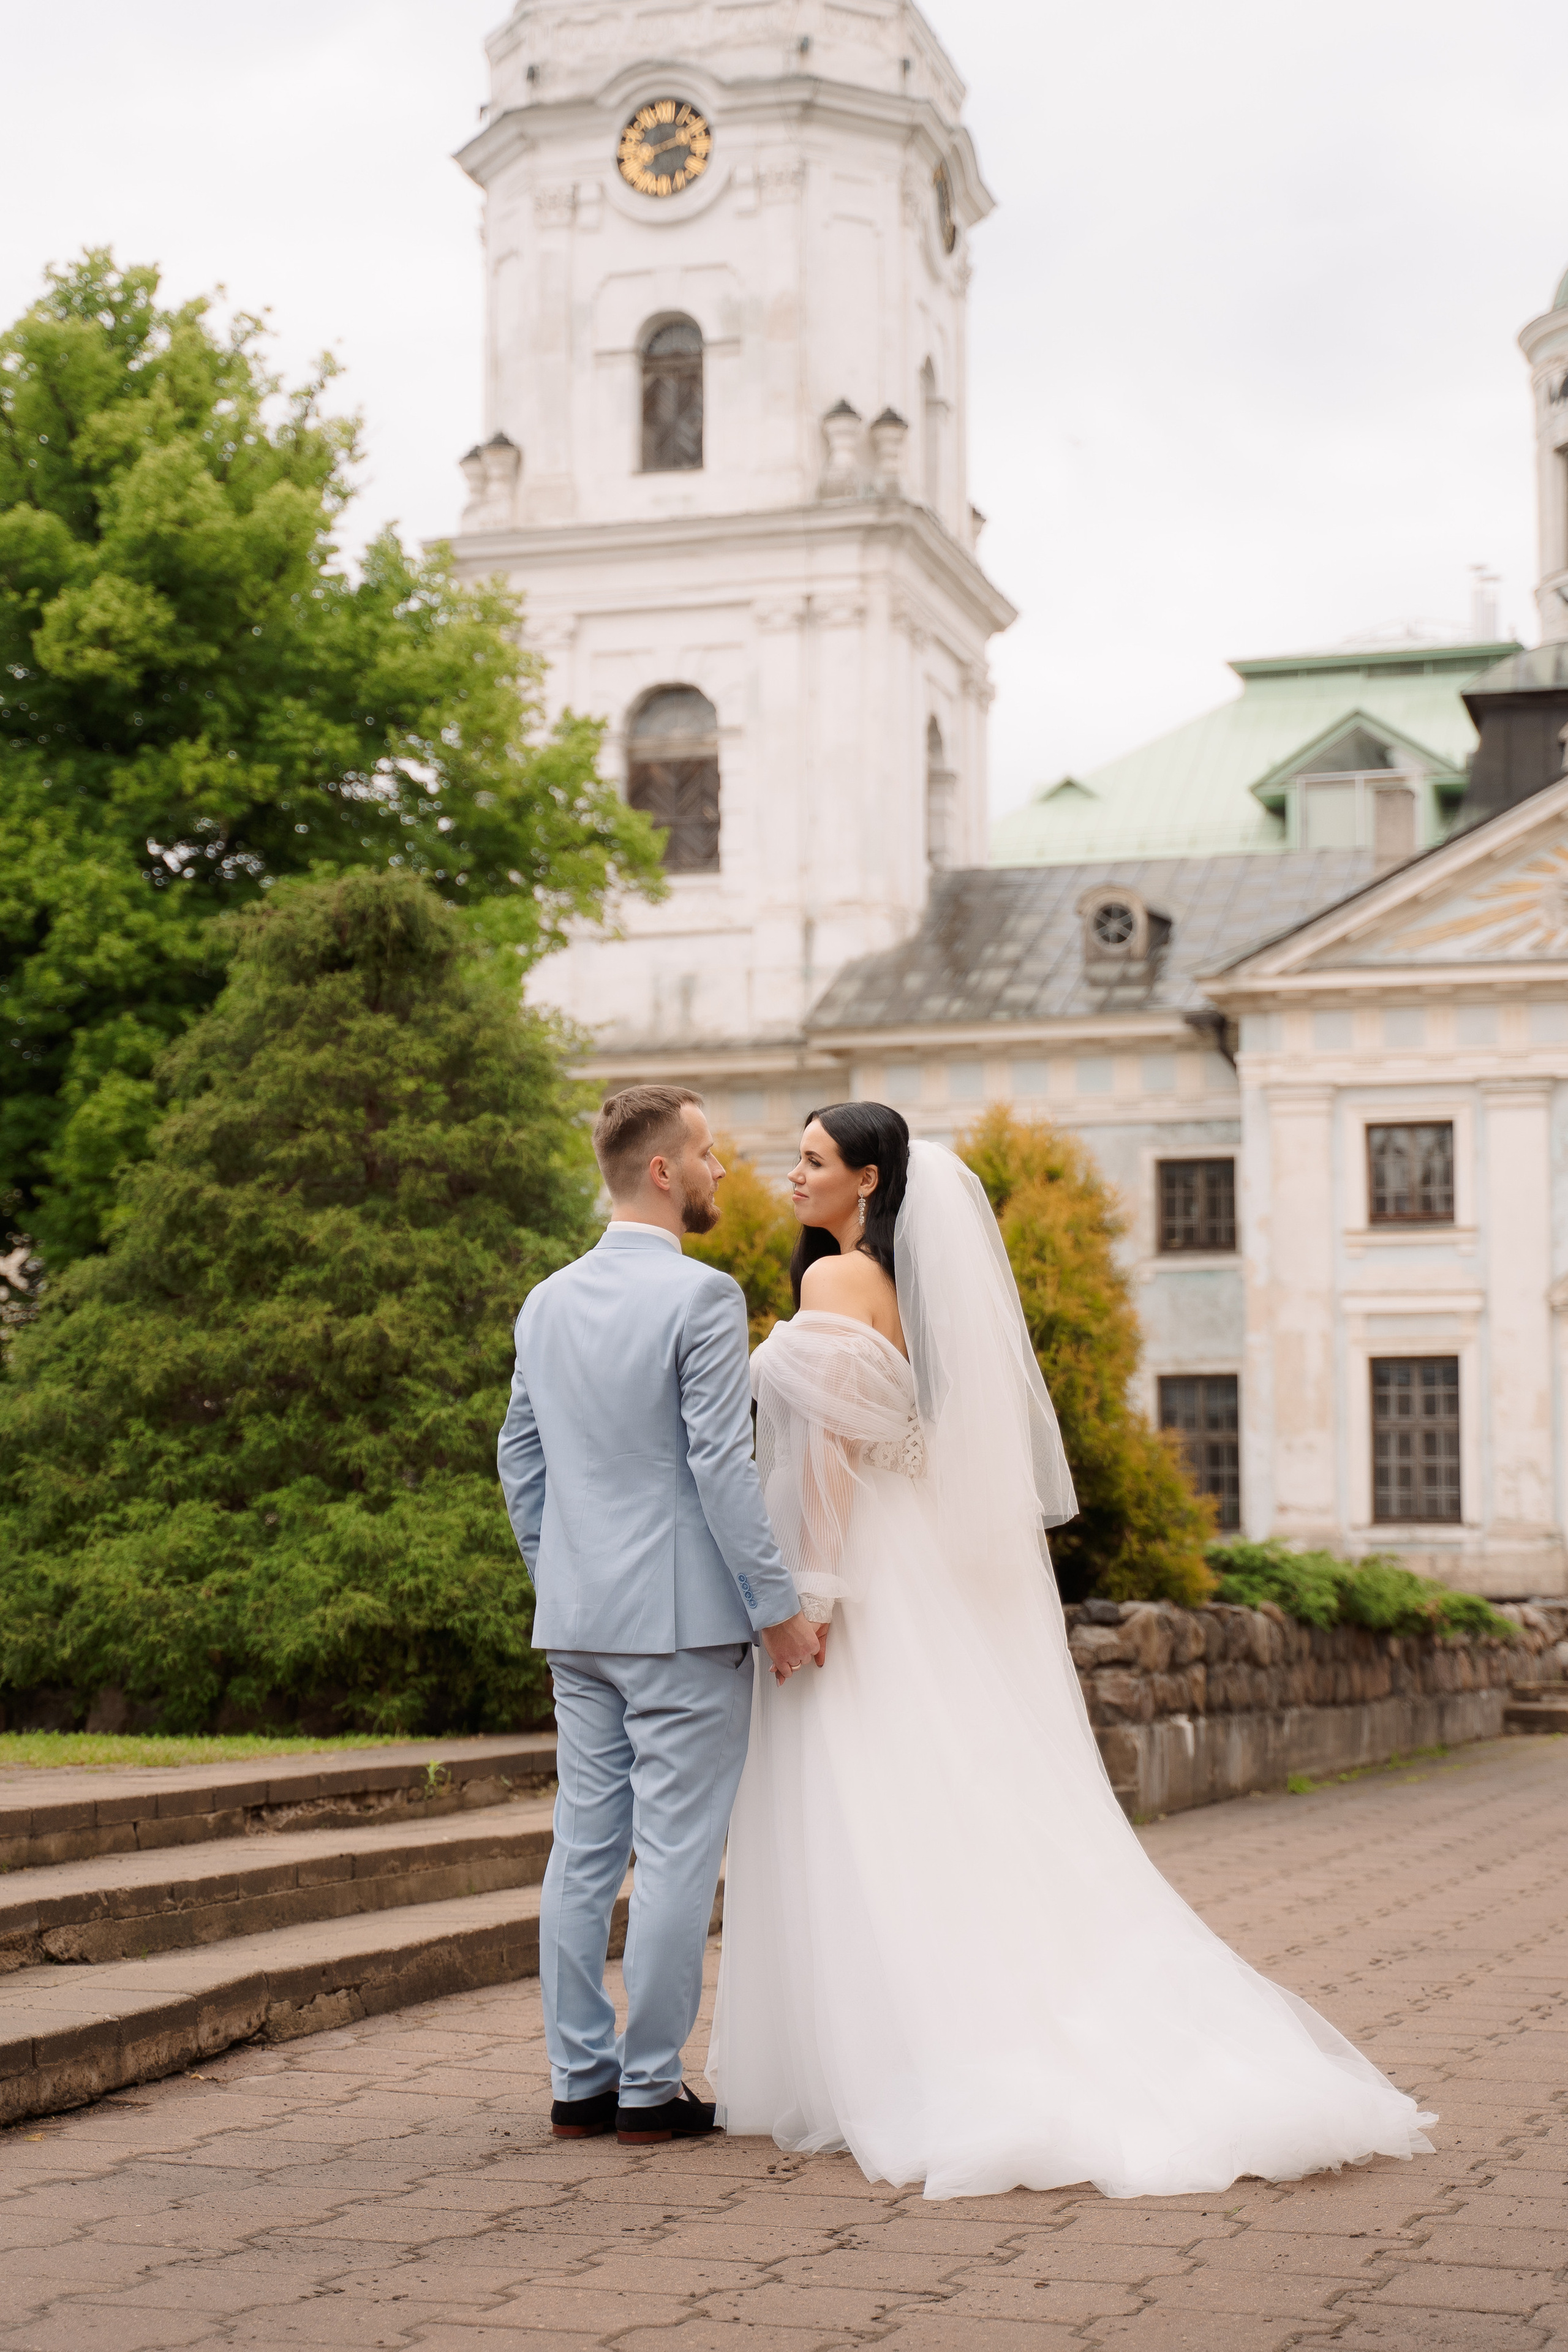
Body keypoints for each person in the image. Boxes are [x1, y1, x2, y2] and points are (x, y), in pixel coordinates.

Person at [707, 1102, 1437, 2201]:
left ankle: (898, 2050)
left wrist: (807, 1596)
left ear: (867, 1179)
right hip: (923, 1576)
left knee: (867, 1799)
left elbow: (825, 1464)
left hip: (860, 1567)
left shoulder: (833, 1283)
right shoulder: (910, 1293)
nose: (789, 1179)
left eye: (810, 1163)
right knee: (944, 1794)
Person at [497, 1085, 824, 2147]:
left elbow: (519, 1458)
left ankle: (575, 2084)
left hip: (579, 1621)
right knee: (679, 1855)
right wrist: (775, 1609)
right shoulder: (701, 1298)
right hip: (683, 1624)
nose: (723, 1167)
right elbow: (721, 1468)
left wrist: (564, 1572)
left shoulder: (545, 1299)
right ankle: (649, 2091)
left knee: (584, 1850)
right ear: (662, 1172)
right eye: (708, 1151)